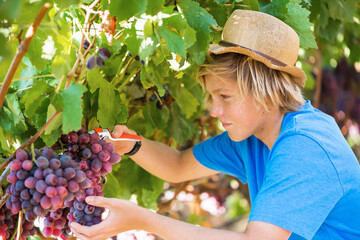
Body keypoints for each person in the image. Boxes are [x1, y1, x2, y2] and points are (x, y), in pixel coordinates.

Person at [70, 10, 360, 240]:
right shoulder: (253, 136)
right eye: (211, 96)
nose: (214, 109)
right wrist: (133, 145)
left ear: (265, 91)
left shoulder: (306, 146)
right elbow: (178, 164)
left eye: (225, 96)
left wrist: (145, 220)